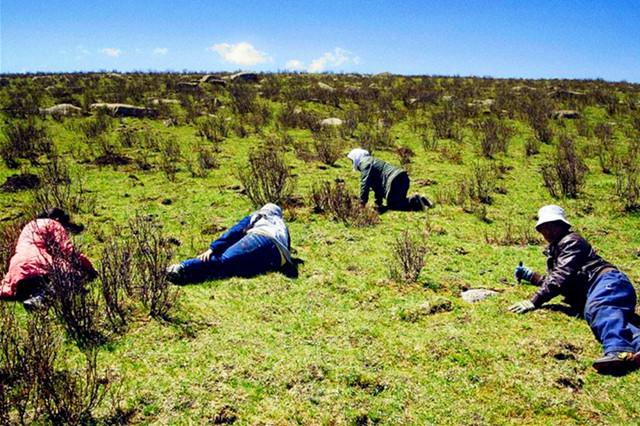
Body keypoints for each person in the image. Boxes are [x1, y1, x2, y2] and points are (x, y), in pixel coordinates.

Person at [509, 204, 640, 375]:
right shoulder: (556, 249)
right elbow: (558, 280)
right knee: (612, 318)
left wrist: (534, 301)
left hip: (606, 282)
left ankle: (618, 350)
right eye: (543, 228)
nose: (547, 232)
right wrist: (531, 276)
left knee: (601, 309)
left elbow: (560, 278)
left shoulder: (571, 241)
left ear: (563, 225)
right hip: (603, 287)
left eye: (551, 226)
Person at [166, 203, 293, 284]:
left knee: (223, 260)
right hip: (278, 259)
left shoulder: (259, 216)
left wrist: (213, 248)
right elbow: (288, 246)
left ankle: (181, 268)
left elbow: (235, 232)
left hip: (261, 239)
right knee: (236, 268)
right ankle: (196, 273)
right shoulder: (282, 225)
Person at [0, 208, 96, 311]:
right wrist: (89, 269)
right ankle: (40, 298)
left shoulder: (29, 225)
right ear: (57, 219)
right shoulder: (53, 223)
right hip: (38, 260)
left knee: (32, 283)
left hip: (16, 267)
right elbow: (68, 250)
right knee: (72, 276)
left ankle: (32, 293)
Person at [346, 148, 432, 211]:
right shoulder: (371, 161)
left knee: (394, 206)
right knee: (398, 202)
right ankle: (421, 200)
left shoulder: (365, 163)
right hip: (402, 177)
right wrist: (378, 203)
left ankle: (416, 199)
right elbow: (377, 184)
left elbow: (365, 183)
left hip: (394, 180)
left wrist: (361, 204)